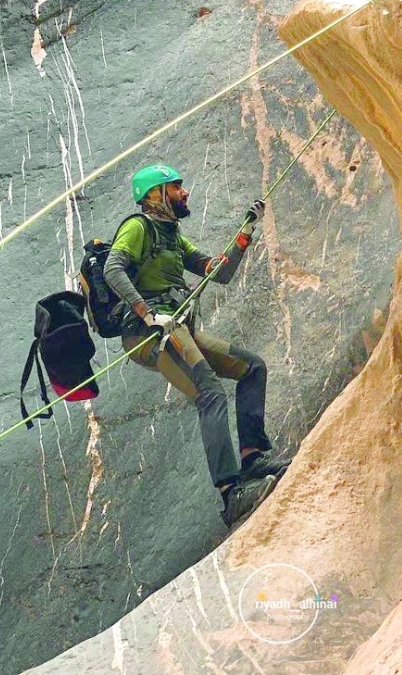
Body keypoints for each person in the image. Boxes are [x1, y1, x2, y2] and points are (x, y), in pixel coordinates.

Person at [102, 163, 286, 526]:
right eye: (176, 187)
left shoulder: (172, 235)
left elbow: (220, 272)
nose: (185, 192)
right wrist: (147, 314)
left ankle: (252, 457)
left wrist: (246, 230)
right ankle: (230, 495)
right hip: (152, 333)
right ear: (155, 195)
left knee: (252, 367)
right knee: (211, 393)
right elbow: (113, 269)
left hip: (176, 328)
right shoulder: (138, 227)